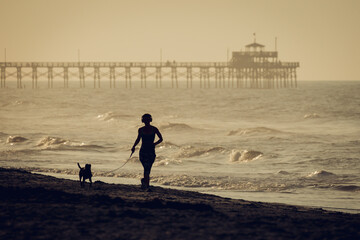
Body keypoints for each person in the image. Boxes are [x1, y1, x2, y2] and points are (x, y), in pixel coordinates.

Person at [131, 113, 163, 190]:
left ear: (150, 120)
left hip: (151, 151)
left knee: (148, 168)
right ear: (143, 121)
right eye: (145, 120)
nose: (146, 121)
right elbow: (138, 139)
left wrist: (154, 144)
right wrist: (134, 146)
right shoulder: (140, 129)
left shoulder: (154, 129)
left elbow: (161, 139)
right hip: (143, 151)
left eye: (147, 119)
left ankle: (144, 182)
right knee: (146, 168)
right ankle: (146, 185)